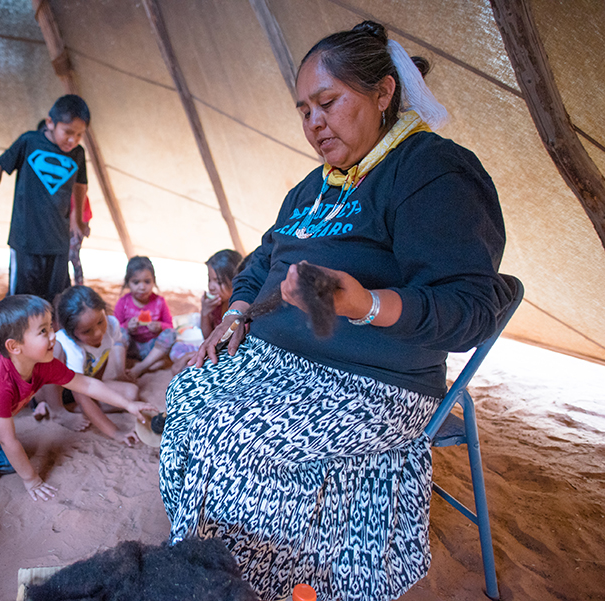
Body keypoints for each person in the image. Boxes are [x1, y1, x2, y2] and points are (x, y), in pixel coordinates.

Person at [159, 21, 513, 601]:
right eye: (303, 111)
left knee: (241, 440)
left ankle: (278, 583)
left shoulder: (432, 172)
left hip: (371, 383)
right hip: (276, 364)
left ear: (382, 94)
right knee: (190, 398)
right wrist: (237, 314)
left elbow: (470, 308)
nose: (313, 123)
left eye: (328, 102)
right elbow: (259, 261)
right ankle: (209, 561)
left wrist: (365, 303)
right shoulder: (312, 188)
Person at [0, 295, 155, 503]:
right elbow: (8, 440)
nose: (53, 336)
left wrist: (128, 404)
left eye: (51, 327)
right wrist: (32, 481)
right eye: (43, 331)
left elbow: (86, 383)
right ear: (15, 346)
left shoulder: (42, 364)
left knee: (13, 464)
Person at [0, 95, 89, 302]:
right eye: (68, 132)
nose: (73, 140)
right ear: (50, 122)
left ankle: (51, 334)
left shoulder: (77, 153)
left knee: (56, 299)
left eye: (79, 135)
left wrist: (77, 219)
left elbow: (81, 185)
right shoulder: (29, 142)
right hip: (26, 241)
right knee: (22, 301)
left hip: (59, 242)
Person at [36, 285, 141, 439]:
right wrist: (116, 432)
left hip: (82, 387)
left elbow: (101, 359)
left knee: (132, 393)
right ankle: (56, 410)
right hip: (52, 392)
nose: (98, 332)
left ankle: (64, 408)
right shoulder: (71, 347)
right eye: (87, 331)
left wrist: (98, 390)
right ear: (71, 332)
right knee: (55, 349)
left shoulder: (111, 325)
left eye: (100, 321)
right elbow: (82, 393)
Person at [170, 249, 243, 368]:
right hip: (212, 347)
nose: (211, 287)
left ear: (236, 281)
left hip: (226, 353)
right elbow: (207, 337)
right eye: (210, 280)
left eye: (218, 282)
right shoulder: (217, 305)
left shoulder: (238, 309)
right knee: (176, 351)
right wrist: (205, 312)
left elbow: (228, 346)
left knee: (181, 366)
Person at [114, 256, 176, 379]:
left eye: (147, 282)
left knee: (171, 333)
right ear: (128, 283)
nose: (142, 287)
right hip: (131, 348)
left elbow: (169, 325)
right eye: (136, 282)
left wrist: (160, 326)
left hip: (153, 347)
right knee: (119, 333)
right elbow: (114, 327)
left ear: (154, 281)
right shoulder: (123, 302)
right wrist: (127, 327)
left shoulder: (160, 302)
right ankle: (120, 371)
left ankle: (141, 367)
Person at [68, 191, 92, 285]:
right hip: (64, 233)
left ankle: (79, 284)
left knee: (74, 257)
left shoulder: (81, 196)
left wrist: (84, 226)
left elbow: (86, 212)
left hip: (76, 232)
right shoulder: (64, 193)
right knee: (70, 258)